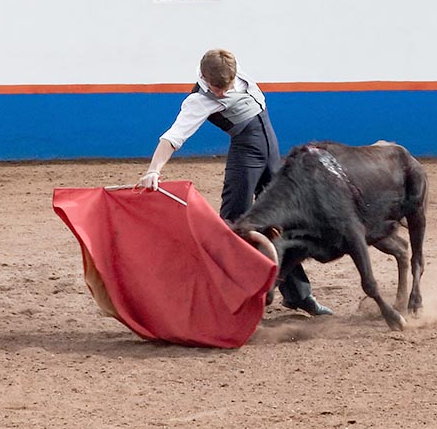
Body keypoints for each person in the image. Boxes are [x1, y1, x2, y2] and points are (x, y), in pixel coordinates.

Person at [138, 48, 332, 316]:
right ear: (205, 78)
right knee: (234, 222)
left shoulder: (231, 69)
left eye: (225, 87)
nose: (221, 93)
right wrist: (154, 170)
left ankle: (299, 294)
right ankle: (222, 296)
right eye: (216, 88)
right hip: (246, 150)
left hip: (270, 144)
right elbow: (173, 137)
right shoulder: (198, 100)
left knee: (282, 217)